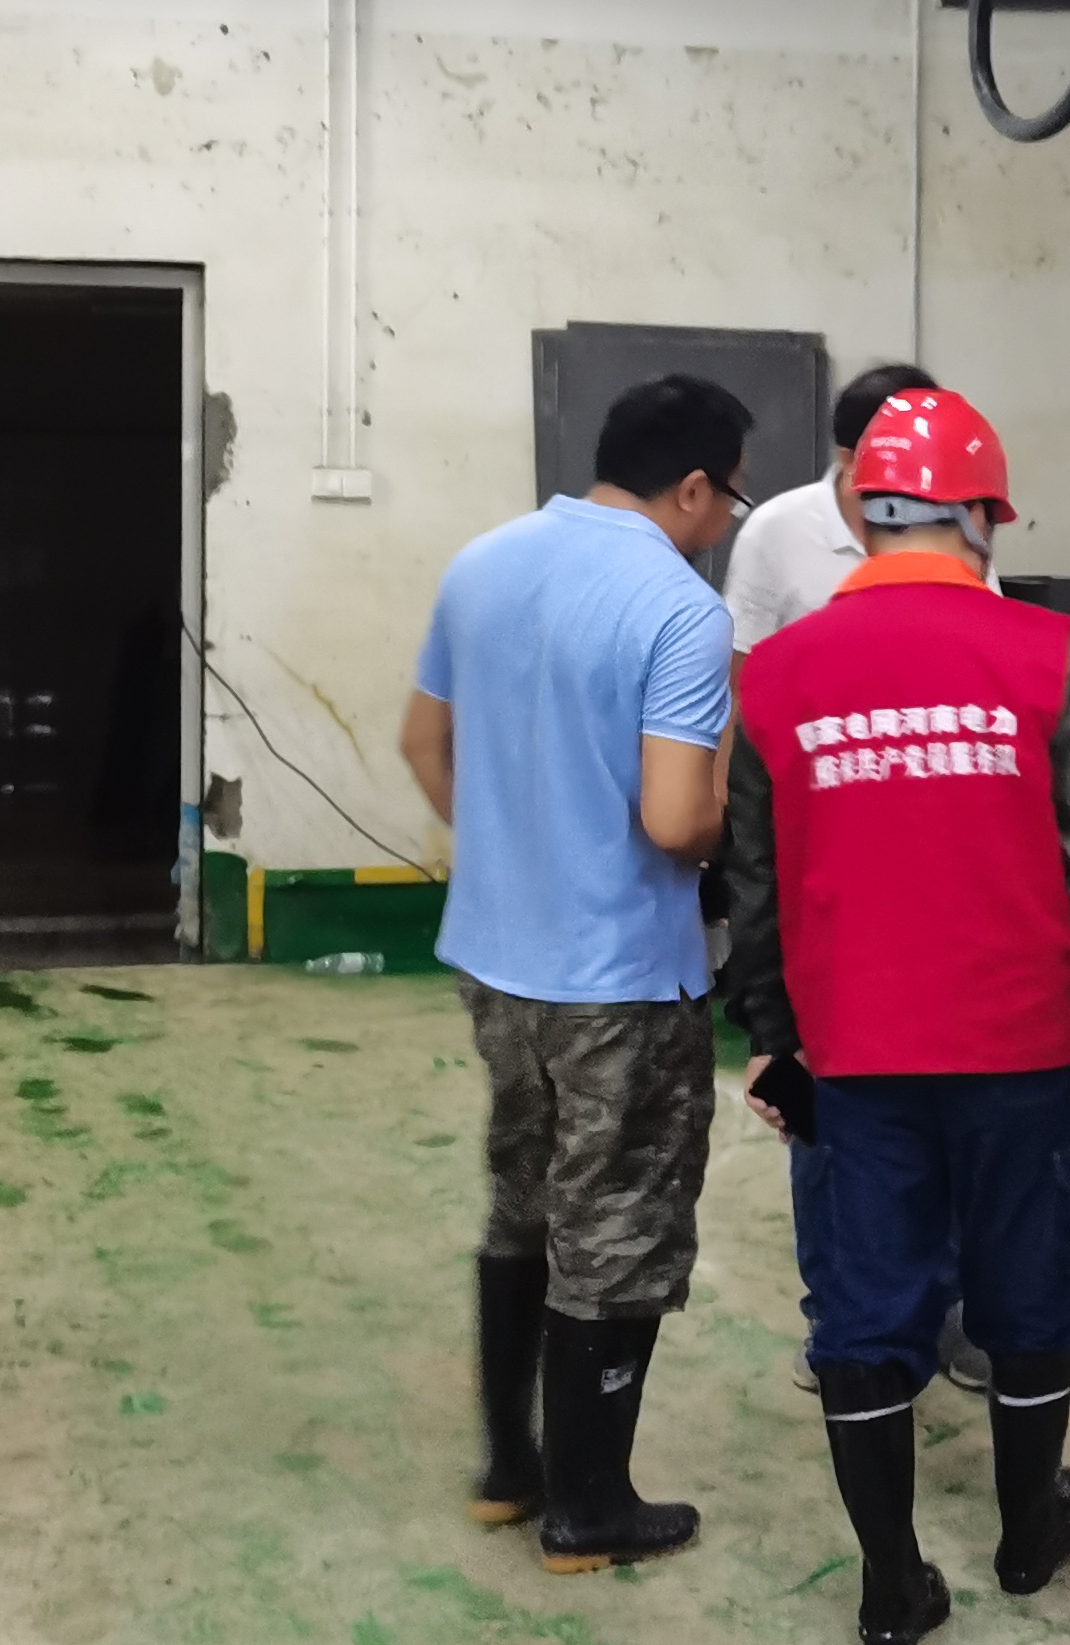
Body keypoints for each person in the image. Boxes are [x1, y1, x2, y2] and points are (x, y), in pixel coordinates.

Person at [727, 389, 1070, 1645]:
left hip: (852, 1056)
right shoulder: (1042, 654)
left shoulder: (781, 673)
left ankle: (891, 1585)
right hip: (1018, 1045)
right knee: (1027, 1284)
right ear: (981, 517)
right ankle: (1028, 1532)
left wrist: (771, 1033)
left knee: (862, 1310)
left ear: (863, 515)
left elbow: (755, 875)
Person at [399, 374, 751, 1574]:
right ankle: (590, 1506)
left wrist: (516, 851)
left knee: (524, 1198)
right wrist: (738, 823)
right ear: (693, 486)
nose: (725, 522)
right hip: (621, 975)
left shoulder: (482, 563)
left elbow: (424, 741)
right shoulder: (680, 607)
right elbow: (673, 819)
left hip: (498, 960)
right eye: (728, 499)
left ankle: (512, 1467)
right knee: (618, 1226)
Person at [722, 362, 994, 1397]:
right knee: (824, 1100)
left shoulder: (957, 527)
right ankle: (840, 1313)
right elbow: (748, 693)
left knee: (957, 1087)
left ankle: (955, 1310)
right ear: (848, 458)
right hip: (823, 858)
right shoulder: (777, 534)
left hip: (941, 859)